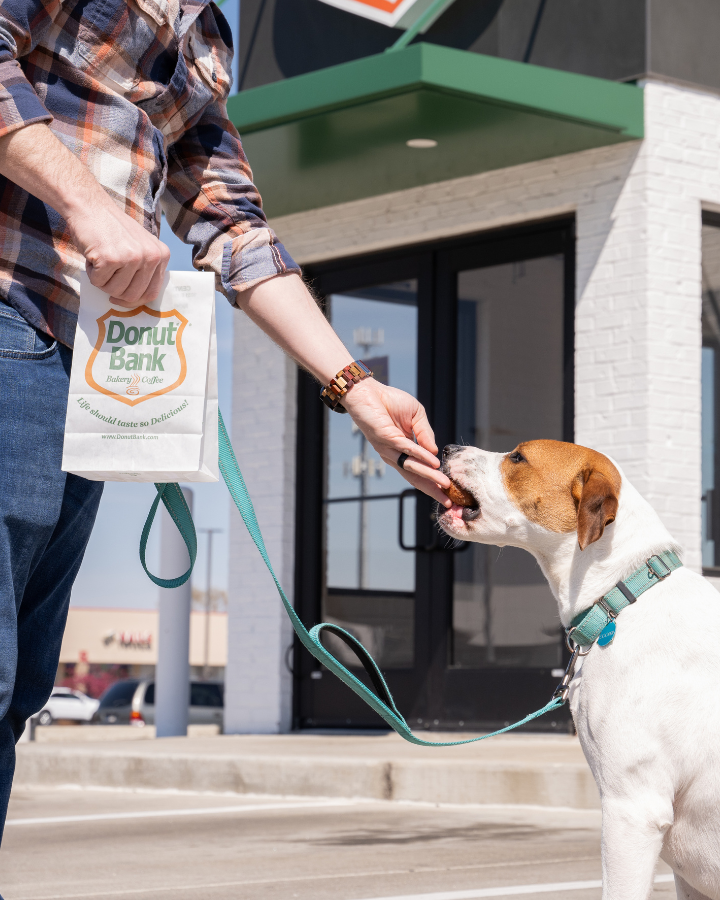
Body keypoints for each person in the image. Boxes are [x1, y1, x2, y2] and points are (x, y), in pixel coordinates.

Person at [0, 0, 451, 842]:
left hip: (83, 365)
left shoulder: (205, 35)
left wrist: (355, 389)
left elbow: (231, 223)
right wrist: (92, 209)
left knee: (18, 690)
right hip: (6, 317)